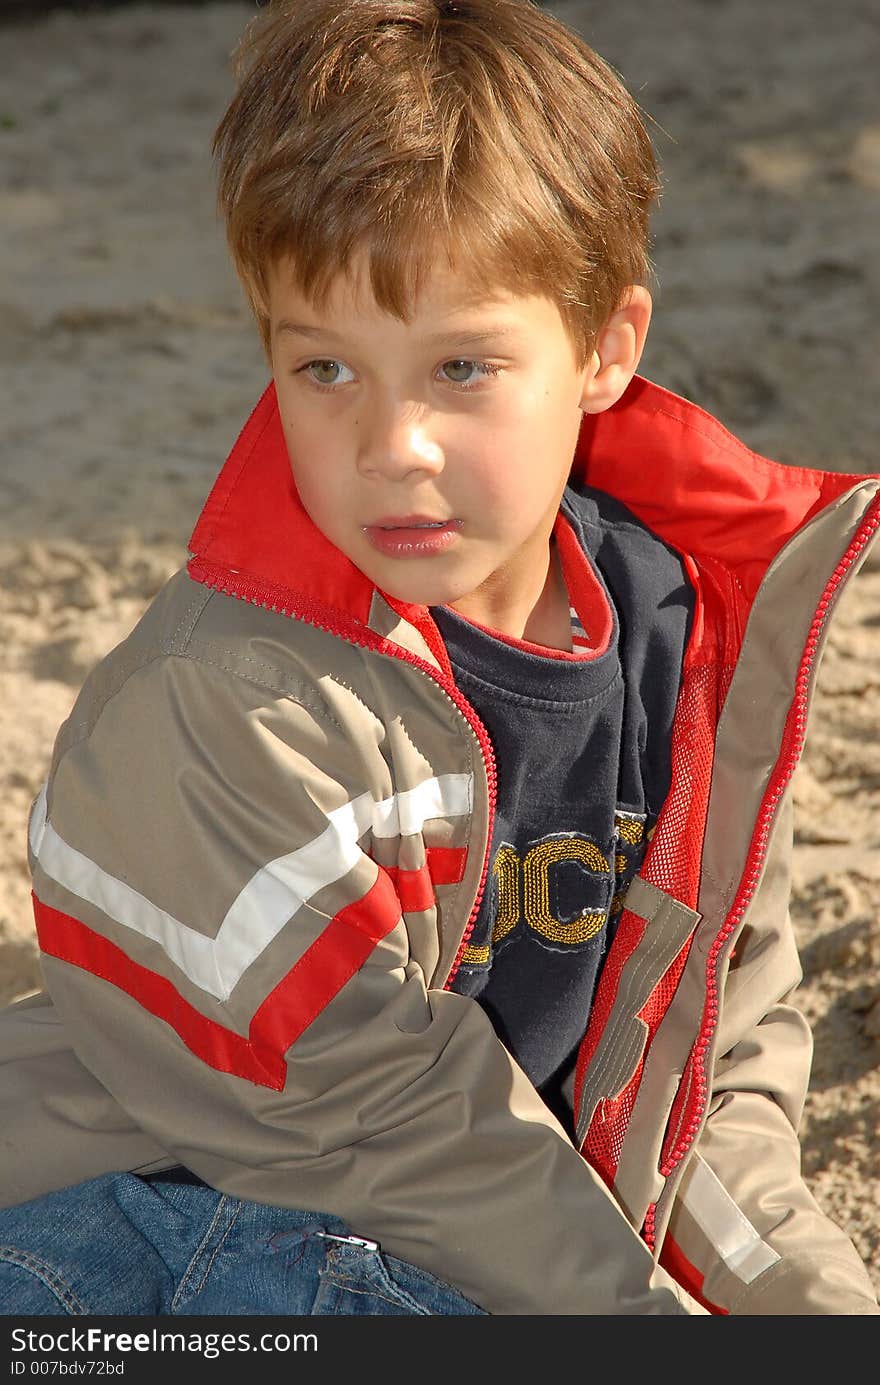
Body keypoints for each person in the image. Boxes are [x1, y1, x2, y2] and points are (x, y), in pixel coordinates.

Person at [0, 0, 877, 1318]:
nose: (391, 444)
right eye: (327, 369)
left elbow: (696, 1063)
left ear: (603, 351)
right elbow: (378, 1122)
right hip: (149, 1232)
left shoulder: (682, 642)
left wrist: (800, 1305)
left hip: (459, 1222)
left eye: (461, 366)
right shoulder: (219, 707)